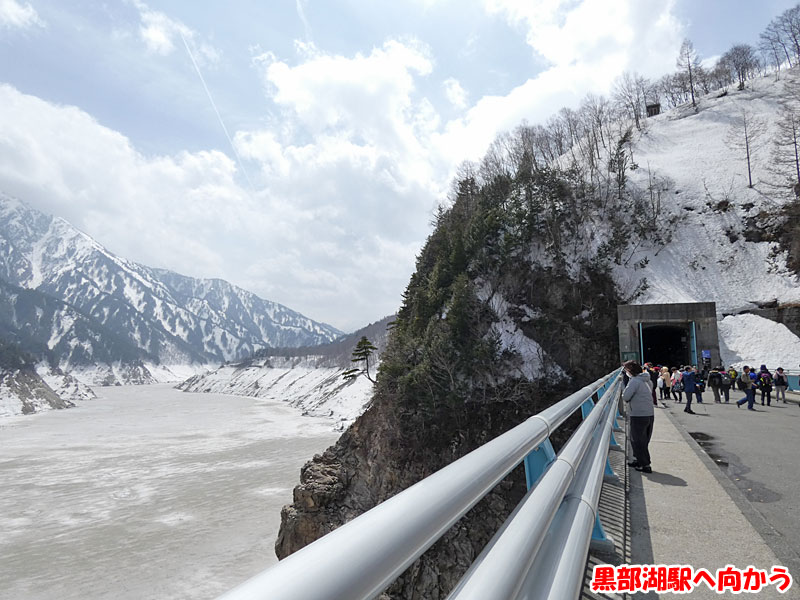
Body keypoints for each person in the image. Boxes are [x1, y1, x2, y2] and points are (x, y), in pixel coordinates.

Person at [622, 360, 654, 473]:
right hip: (649, 413)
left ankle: (645, 465)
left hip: (638, 414)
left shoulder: (634, 381)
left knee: (637, 440)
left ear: (630, 371)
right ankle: (638, 459)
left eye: (625, 370)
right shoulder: (647, 380)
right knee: (643, 439)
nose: (625, 372)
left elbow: (626, 396)